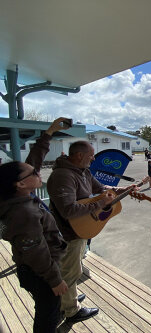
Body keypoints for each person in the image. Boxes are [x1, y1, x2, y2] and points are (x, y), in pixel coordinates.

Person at [47, 140, 137, 323]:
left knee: (74, 269)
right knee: (70, 272)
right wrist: (98, 204)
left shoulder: (83, 171)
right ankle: (71, 310)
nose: (93, 158)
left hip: (79, 232)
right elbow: (68, 210)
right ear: (79, 155)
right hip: (69, 233)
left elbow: (101, 189)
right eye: (90, 155)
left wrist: (122, 190)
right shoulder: (63, 176)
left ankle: (68, 297)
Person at [0, 118, 70, 332]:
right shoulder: (24, 213)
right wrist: (55, 279)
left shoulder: (16, 196)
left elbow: (33, 162)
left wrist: (49, 132)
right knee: (47, 317)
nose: (38, 172)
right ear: (21, 184)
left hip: (34, 268)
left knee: (49, 310)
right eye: (33, 173)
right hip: (40, 272)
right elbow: (35, 252)